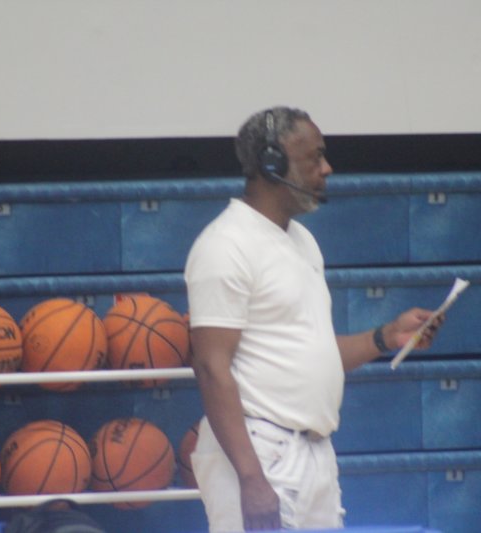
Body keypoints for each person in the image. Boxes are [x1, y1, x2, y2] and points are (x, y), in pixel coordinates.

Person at [184, 106, 444, 532]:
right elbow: (211, 368)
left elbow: (312, 353)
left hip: (313, 454)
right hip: (259, 453)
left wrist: (387, 336)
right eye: (315, 157)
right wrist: (251, 478)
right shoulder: (225, 245)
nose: (327, 168)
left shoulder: (302, 241)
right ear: (272, 164)